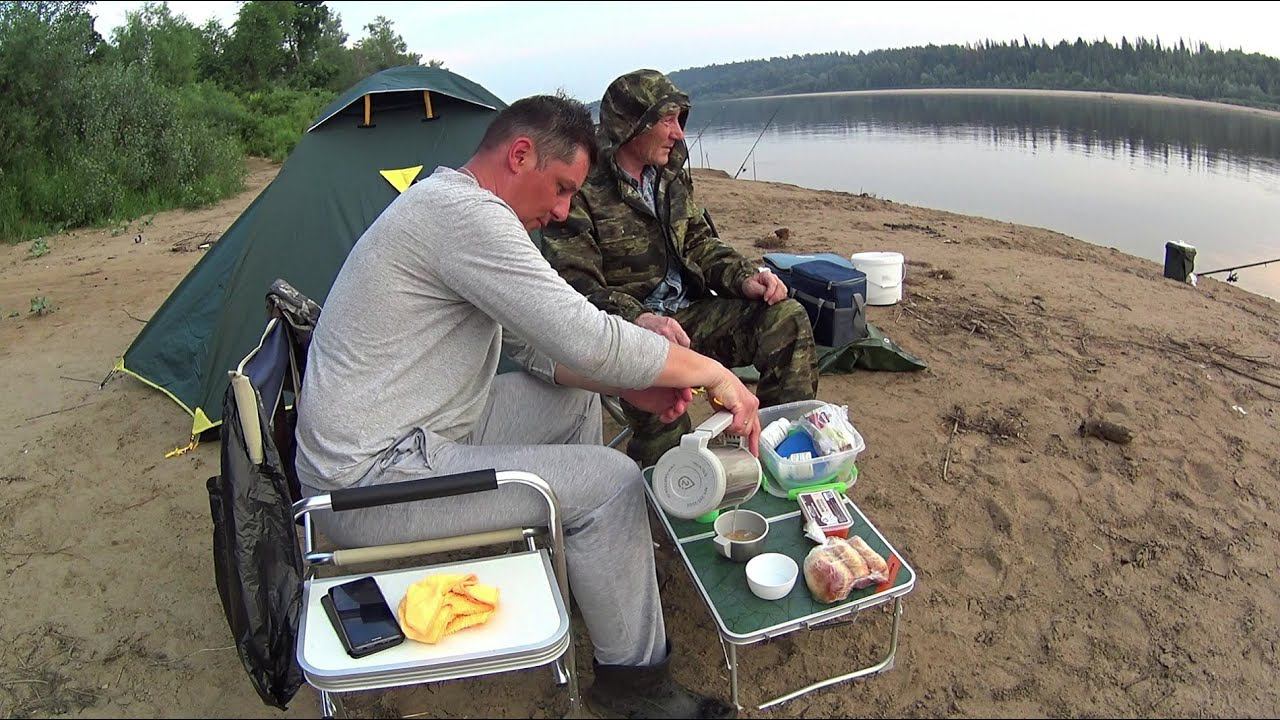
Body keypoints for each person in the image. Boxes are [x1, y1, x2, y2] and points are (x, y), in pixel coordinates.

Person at [293, 94, 753, 719]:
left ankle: (588, 574)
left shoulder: (449, 207)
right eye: (562, 188)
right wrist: (713, 373)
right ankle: (636, 692)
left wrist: (623, 385)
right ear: (519, 155)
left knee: (572, 399)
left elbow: (528, 345)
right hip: (369, 482)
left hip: (420, 427)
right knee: (613, 482)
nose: (562, 212)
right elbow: (584, 334)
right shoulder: (463, 217)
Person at [542, 69, 819, 468]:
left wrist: (745, 277)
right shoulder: (581, 186)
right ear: (633, 125)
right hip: (630, 334)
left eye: (680, 120)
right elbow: (574, 285)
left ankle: (784, 453)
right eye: (667, 121)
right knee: (670, 430)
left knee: (786, 318)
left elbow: (698, 242)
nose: (679, 133)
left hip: (689, 317)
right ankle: (667, 497)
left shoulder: (668, 174)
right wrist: (639, 318)